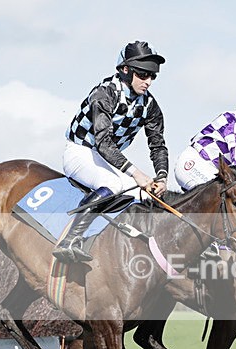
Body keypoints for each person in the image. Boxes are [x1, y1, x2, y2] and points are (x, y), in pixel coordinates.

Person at [54, 40, 169, 263]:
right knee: (113, 184)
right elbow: (103, 143)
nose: (148, 81)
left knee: (145, 195)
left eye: (152, 76)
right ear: (125, 70)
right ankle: (70, 240)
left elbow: (157, 145)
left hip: (106, 158)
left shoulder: (150, 105)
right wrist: (137, 174)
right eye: (142, 74)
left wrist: (162, 176)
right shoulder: (104, 93)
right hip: (80, 151)